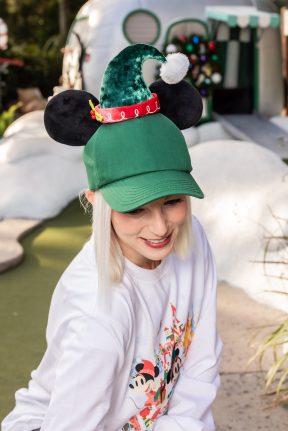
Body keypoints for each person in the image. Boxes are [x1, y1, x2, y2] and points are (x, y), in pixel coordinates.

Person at [2, 44, 222, 431]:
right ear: (98, 203)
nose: (160, 227)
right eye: (135, 208)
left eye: (172, 200)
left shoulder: (193, 239)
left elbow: (201, 367)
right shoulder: (97, 319)